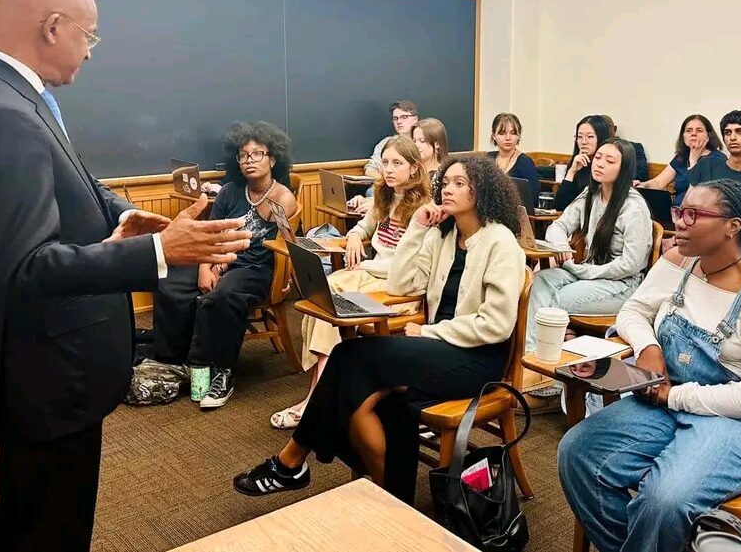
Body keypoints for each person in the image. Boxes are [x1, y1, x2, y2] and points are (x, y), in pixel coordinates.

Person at [0, 0, 251, 552]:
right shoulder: (3, 115)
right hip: (46, 373)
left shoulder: (12, 97)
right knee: (48, 529)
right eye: (91, 34)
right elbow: (29, 266)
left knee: (48, 517)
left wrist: (124, 216)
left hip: (51, 367)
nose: (91, 52)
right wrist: (160, 249)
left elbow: (75, 182)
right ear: (54, 27)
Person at [232, 155, 526, 503]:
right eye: (445, 182)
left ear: (484, 191)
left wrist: (429, 332)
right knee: (361, 399)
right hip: (439, 350)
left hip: (477, 360)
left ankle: (291, 460)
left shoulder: (500, 242)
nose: (447, 188)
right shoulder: (444, 234)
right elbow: (402, 284)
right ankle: (395, 497)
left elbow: (496, 325)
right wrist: (418, 226)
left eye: (460, 183)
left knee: (349, 359)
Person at [557, 179, 741, 552]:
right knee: (578, 453)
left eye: (694, 215)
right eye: (680, 211)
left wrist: (674, 396)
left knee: (663, 500)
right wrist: (648, 346)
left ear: (733, 227)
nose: (680, 221)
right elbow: (634, 309)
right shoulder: (679, 262)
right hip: (667, 401)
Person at [269, 136, 431, 429]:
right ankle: (319, 395)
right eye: (385, 162)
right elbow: (362, 226)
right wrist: (355, 236)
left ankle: (315, 399)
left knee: (330, 304)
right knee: (321, 295)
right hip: (369, 275)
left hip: (397, 290)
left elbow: (415, 271)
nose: (389, 169)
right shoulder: (384, 196)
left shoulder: (424, 210)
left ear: (414, 169)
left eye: (398, 163)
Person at [135, 121, 298, 410]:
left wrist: (218, 269)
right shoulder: (228, 192)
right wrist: (204, 268)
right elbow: (210, 233)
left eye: (257, 154)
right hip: (216, 258)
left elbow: (270, 241)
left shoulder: (283, 196)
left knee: (222, 296)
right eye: (244, 155)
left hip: (255, 268)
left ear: (273, 158)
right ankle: (173, 360)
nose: (249, 161)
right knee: (170, 281)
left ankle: (222, 370)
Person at [527, 138, 652, 353]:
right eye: (598, 157)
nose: (599, 163)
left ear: (624, 169)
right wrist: (561, 246)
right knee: (537, 283)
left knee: (557, 298)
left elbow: (631, 264)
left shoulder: (634, 208)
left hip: (622, 284)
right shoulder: (591, 194)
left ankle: (550, 359)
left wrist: (587, 272)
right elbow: (558, 226)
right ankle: (529, 354)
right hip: (588, 271)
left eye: (610, 160)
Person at [638, 114, 725, 206]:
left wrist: (693, 160)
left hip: (698, 213)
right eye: (688, 130)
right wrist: (643, 185)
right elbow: (658, 182)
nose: (693, 134)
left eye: (699, 130)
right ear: (683, 136)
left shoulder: (717, 159)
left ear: (709, 135)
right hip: (675, 212)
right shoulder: (681, 157)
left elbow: (700, 195)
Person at [554, 115, 612, 211]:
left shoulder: (607, 167)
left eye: (590, 137)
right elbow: (560, 206)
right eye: (580, 137)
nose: (584, 142)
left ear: (601, 138)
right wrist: (572, 171)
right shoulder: (578, 164)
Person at [364, 99, 417, 179]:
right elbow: (370, 169)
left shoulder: (422, 142)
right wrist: (386, 183)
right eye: (395, 118)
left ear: (415, 119)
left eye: (404, 117)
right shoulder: (386, 143)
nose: (399, 121)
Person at [487, 112, 540, 188]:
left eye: (513, 133)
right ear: (493, 136)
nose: (508, 138)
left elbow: (532, 197)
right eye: (502, 133)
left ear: (519, 136)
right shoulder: (488, 159)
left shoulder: (525, 162)